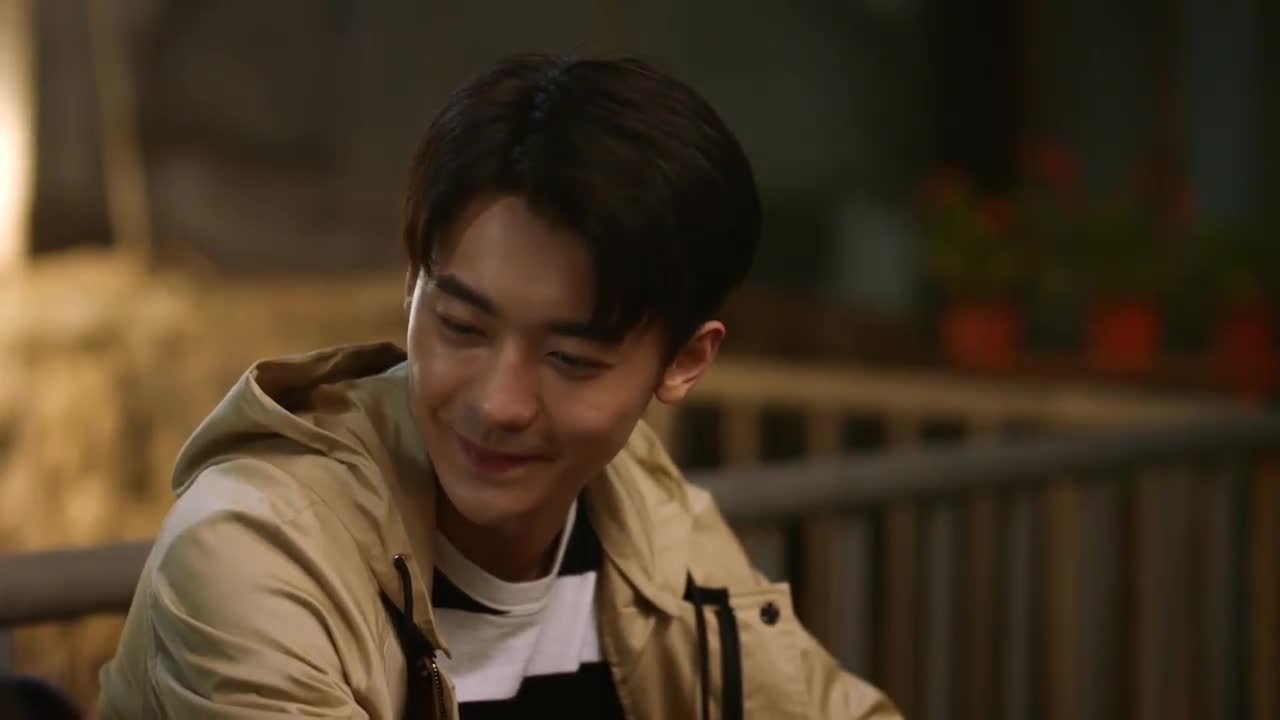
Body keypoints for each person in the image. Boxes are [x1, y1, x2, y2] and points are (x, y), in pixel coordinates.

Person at [96, 54, 899, 719]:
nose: (496, 403)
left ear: (684, 362)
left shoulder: (650, 519)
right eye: (462, 327)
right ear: (412, 286)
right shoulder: (261, 546)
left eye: (571, 359)